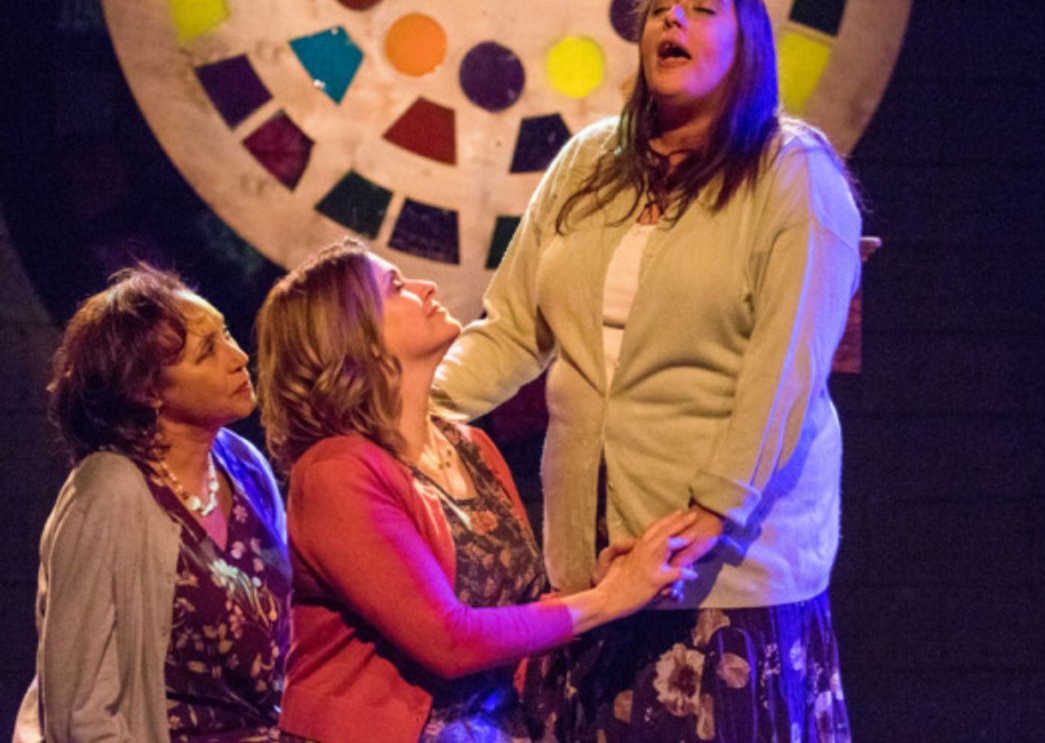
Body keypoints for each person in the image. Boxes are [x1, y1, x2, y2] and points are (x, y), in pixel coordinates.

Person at [433, 0, 862, 741]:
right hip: (592, 574)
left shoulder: (790, 172)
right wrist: (404, 410)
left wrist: (715, 508)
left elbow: (785, 370)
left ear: (748, 45)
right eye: (662, 6)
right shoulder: (590, 164)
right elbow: (511, 330)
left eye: (702, 7)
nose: (673, 18)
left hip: (726, 582)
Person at [253, 238, 697, 743]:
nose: (426, 287)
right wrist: (608, 598)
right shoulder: (336, 472)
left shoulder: (472, 447)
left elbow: (516, 610)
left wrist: (592, 586)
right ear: (356, 337)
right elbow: (449, 641)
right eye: (396, 287)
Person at [13, 267, 290, 743]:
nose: (240, 357)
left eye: (224, 334)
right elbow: (80, 705)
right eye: (208, 352)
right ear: (148, 390)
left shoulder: (243, 465)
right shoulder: (110, 490)